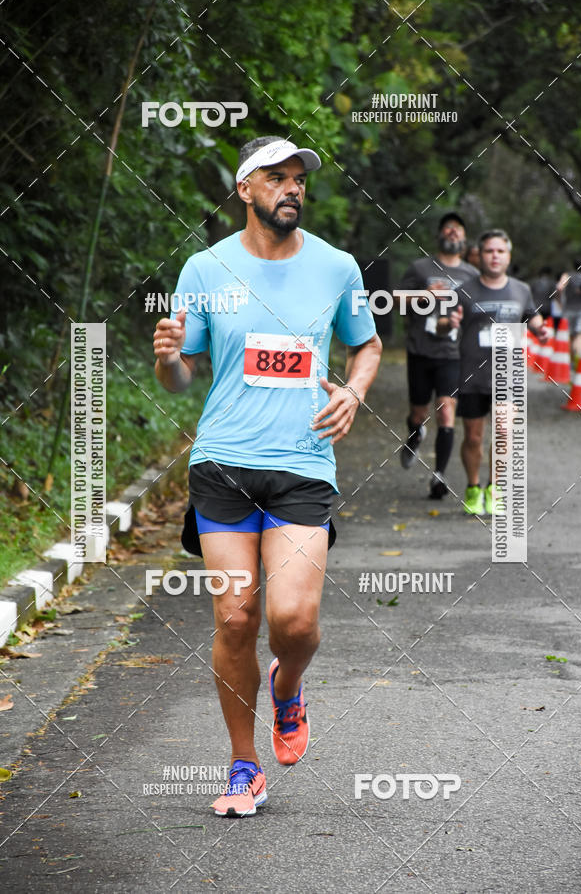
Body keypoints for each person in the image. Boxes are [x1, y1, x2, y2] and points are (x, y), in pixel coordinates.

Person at [153, 135, 381, 818]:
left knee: (294, 618)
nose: (292, 188)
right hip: (222, 462)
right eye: (276, 177)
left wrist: (354, 391)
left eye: (298, 179)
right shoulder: (205, 266)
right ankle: (243, 764)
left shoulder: (336, 267)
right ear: (245, 189)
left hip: (304, 463)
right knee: (235, 614)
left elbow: (366, 343)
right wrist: (166, 356)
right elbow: (179, 376)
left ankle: (289, 685)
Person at [444, 229, 549, 515]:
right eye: (489, 251)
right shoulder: (464, 290)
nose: (495, 256)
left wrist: (540, 329)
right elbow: (443, 324)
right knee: (474, 437)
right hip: (472, 375)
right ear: (480, 255)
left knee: (503, 432)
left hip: (508, 373)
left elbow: (531, 314)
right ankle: (473, 487)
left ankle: (495, 488)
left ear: (508, 256)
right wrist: (449, 322)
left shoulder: (520, 289)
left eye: (500, 251)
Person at [397, 212, 479, 498]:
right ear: (440, 235)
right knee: (418, 412)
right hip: (421, 350)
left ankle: (439, 476)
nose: (453, 233)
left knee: (446, 411)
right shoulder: (420, 268)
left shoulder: (471, 275)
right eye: (448, 229)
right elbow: (392, 300)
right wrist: (421, 296)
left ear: (465, 239)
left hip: (453, 354)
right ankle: (413, 434)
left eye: (458, 230)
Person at [558, 258, 581, 363]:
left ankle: (570, 360)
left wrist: (560, 302)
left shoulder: (567, 275)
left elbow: (559, 287)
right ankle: (577, 361)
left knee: (570, 334)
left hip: (569, 309)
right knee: (580, 334)